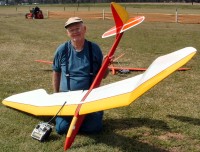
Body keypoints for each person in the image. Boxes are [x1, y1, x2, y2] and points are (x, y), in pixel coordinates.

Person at [52, 17, 108, 135]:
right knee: (61, 129)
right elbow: (56, 72)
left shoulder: (94, 48)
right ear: (68, 33)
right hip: (67, 98)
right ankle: (72, 119)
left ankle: (92, 115)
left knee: (95, 128)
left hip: (89, 97)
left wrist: (105, 66)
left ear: (84, 29)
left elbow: (104, 76)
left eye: (77, 28)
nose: (75, 32)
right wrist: (56, 95)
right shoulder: (62, 50)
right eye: (71, 30)